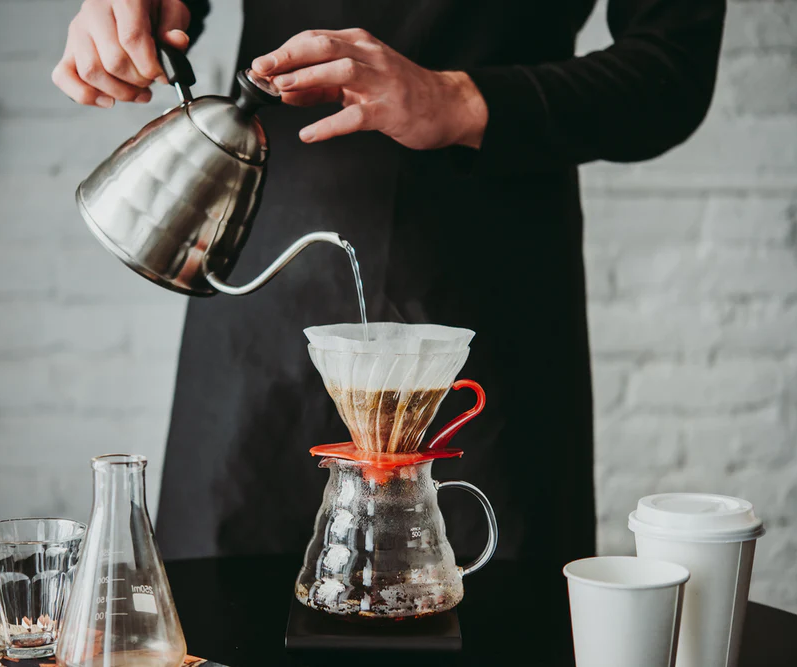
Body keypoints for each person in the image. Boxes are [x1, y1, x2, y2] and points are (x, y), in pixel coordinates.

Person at [54, 0, 724, 580]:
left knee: (498, 619)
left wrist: (455, 99)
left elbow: (672, 70)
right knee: (218, 614)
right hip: (266, 281)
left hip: (490, 293)